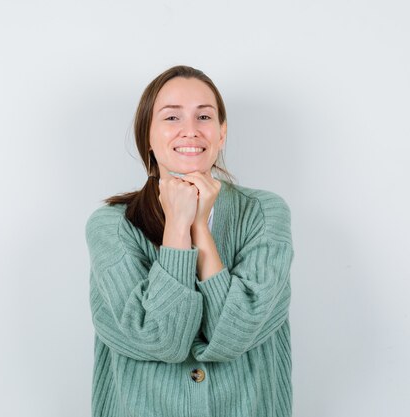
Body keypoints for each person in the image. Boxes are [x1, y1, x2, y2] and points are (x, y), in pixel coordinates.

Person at [85, 65, 294, 417]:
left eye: (204, 116)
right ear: (147, 136)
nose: (190, 130)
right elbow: (158, 338)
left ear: (221, 133)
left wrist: (200, 226)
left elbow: (236, 332)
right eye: (171, 117)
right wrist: (177, 227)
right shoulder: (111, 226)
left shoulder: (265, 212)